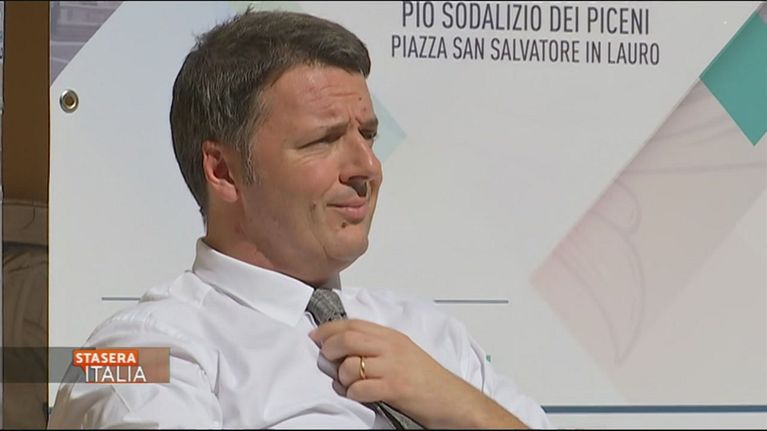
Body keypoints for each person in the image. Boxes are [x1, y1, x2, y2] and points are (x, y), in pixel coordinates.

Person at [48, 10, 551, 429]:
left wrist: (467, 410)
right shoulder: (138, 349)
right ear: (223, 171)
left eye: (367, 136)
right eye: (323, 140)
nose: (367, 167)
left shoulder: (427, 334)